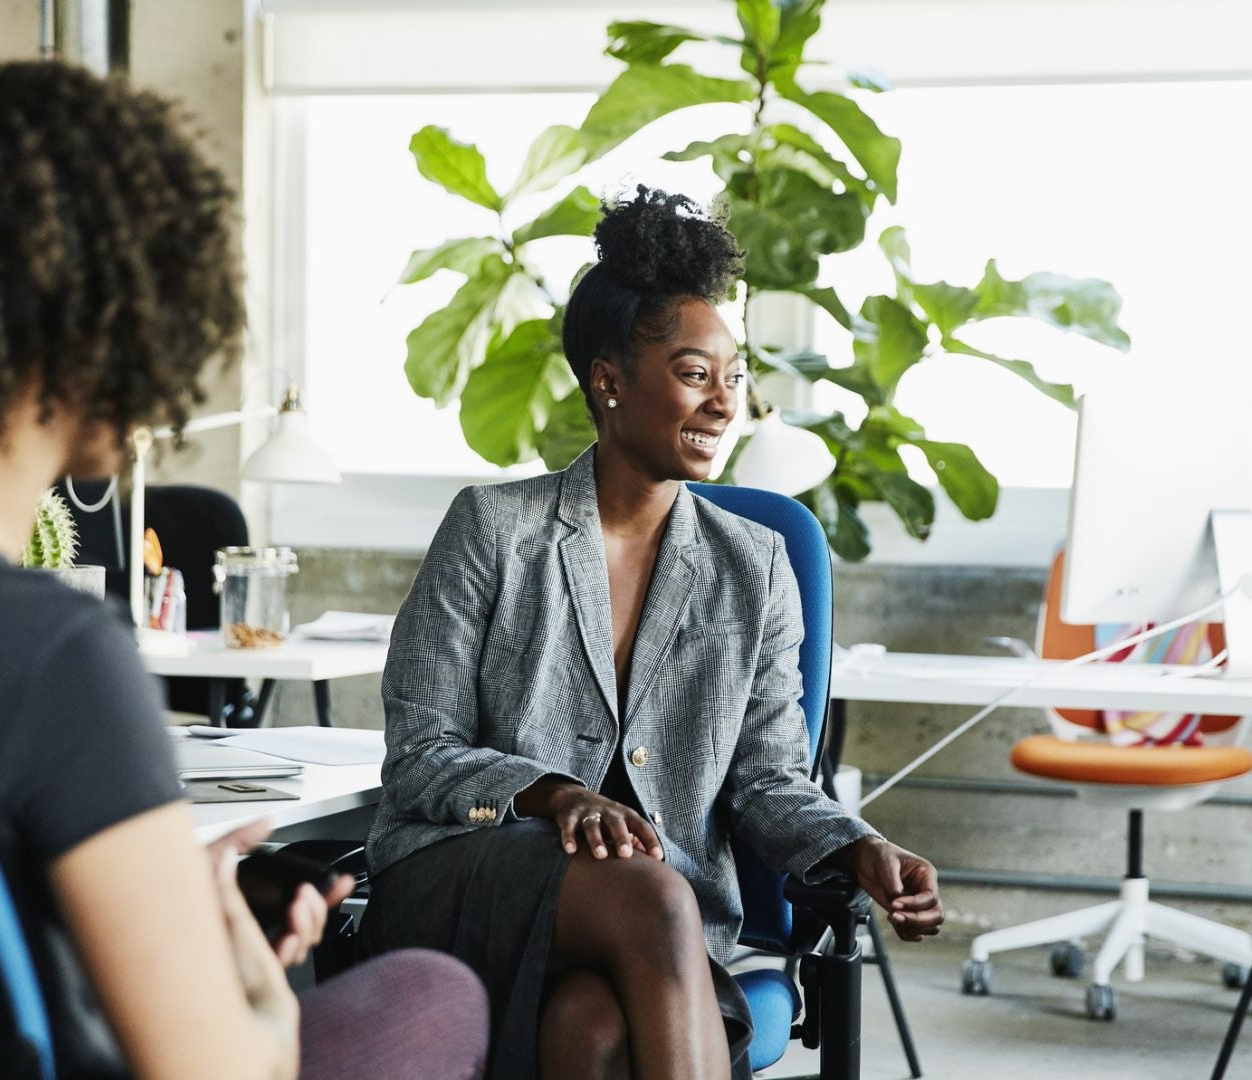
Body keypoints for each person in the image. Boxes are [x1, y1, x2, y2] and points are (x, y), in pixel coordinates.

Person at [0, 60, 486, 1080]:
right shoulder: (52, 651)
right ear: (108, 326)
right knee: (433, 997)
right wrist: (257, 991)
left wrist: (153, 900)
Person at [360, 186, 947, 1080]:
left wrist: (855, 844)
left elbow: (766, 778)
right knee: (653, 895)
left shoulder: (756, 566)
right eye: (692, 372)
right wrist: (553, 795)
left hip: (641, 931)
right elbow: (421, 757)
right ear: (609, 381)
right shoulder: (493, 529)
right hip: (472, 876)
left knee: (592, 1032)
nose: (722, 404)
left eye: (732, 378)